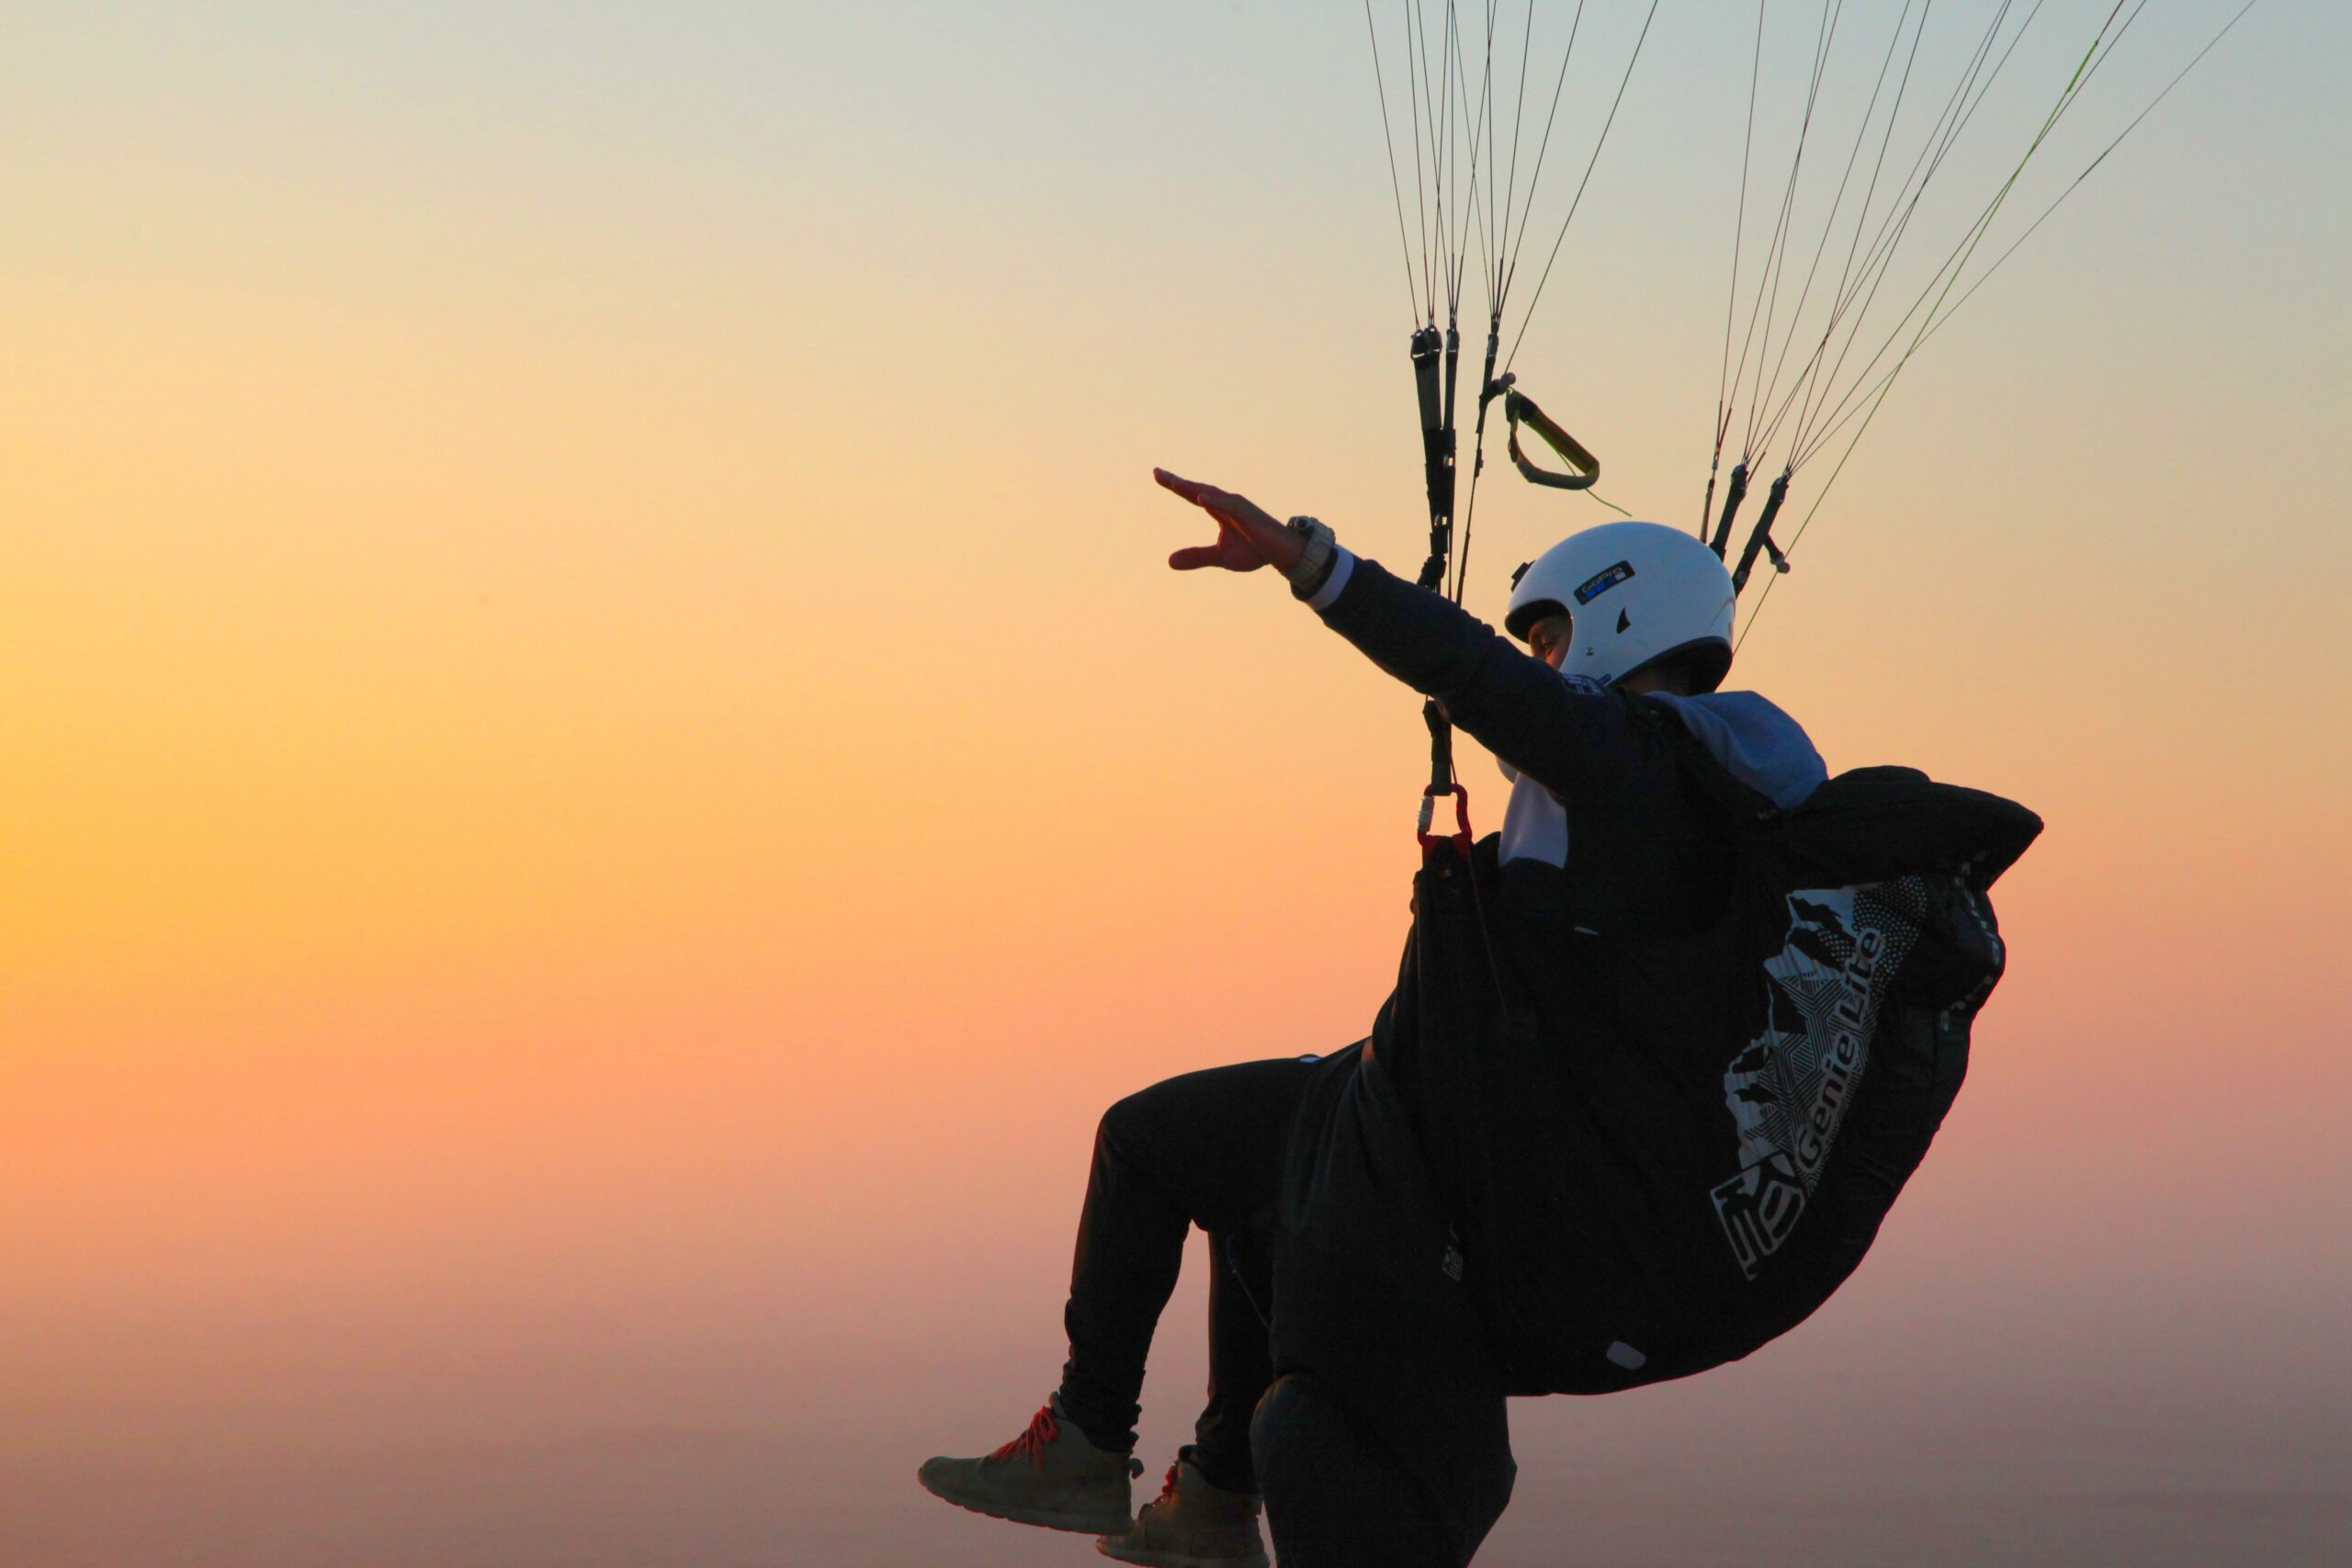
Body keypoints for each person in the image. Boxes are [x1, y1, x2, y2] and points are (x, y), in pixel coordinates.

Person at [917, 468, 1827, 1567]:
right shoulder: (1706, 793)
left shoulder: (1629, 766)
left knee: (1145, 1141)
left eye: (1550, 640)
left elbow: (1471, 673)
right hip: (1459, 1115)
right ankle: (1212, 1496)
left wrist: (1314, 567)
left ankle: (1087, 1443)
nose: (1538, 665)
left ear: (1620, 616)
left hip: (1451, 1135)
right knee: (1266, 1188)